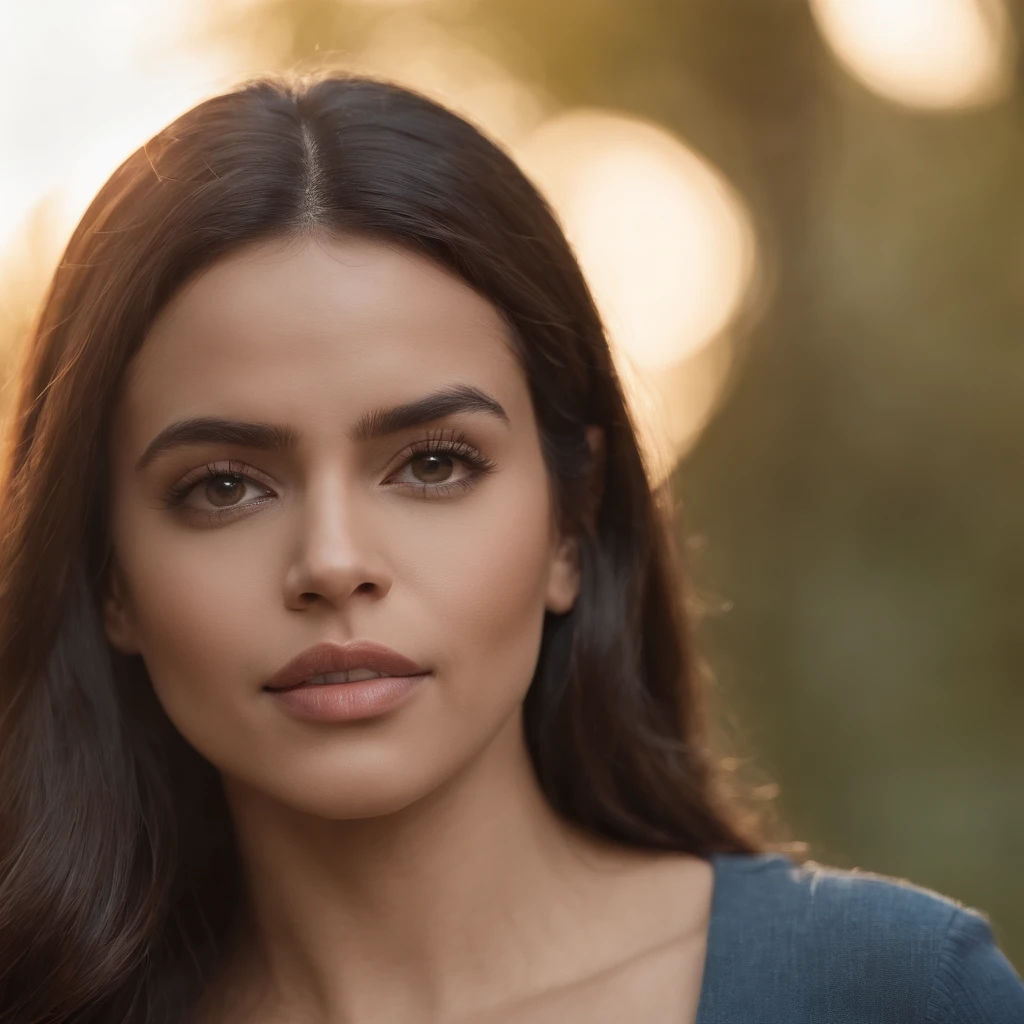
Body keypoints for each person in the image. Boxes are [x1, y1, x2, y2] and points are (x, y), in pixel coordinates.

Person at [0, 72, 1019, 1024]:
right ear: (107, 579)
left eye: (434, 464)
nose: (333, 561)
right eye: (222, 486)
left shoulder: (891, 991)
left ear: (571, 524)